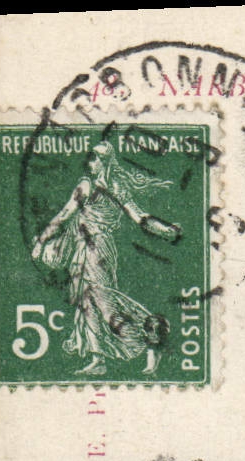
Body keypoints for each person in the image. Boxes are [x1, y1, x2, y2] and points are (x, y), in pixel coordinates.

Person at [29, 142, 181, 376]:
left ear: (105, 161)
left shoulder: (92, 186)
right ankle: (97, 359)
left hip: (96, 249)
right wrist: (165, 230)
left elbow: (65, 214)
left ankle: (152, 335)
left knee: (105, 305)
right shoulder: (110, 186)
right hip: (85, 248)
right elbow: (140, 218)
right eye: (90, 158)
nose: (90, 163)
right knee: (87, 303)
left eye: (95, 158)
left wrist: (41, 241)